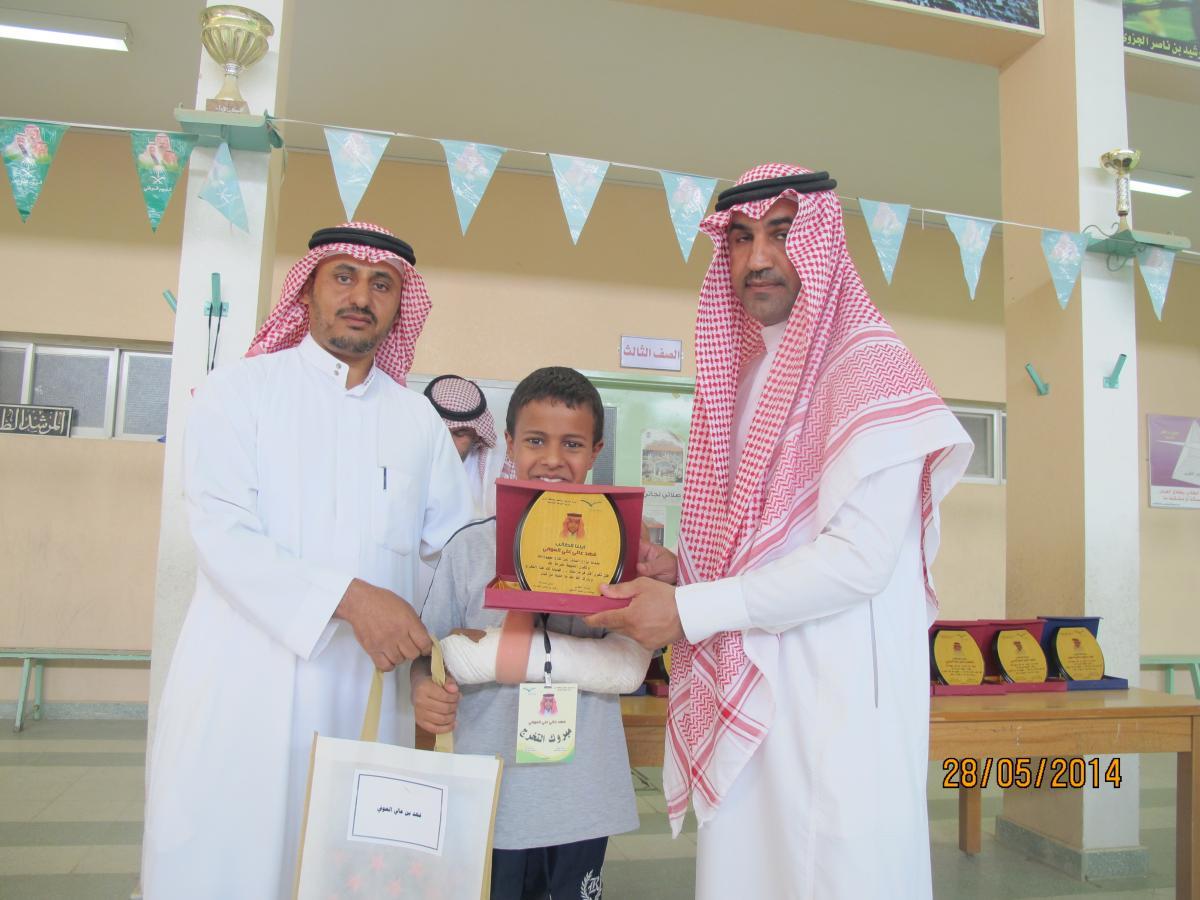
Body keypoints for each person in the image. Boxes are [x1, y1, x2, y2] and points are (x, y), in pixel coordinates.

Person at [587, 165, 973, 899]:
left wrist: (689, 609)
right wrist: (680, 571)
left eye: (782, 233)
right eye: (740, 238)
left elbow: (858, 561)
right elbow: (764, 544)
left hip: (836, 699)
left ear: (823, 244)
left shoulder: (872, 370)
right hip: (751, 675)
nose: (758, 257)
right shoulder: (746, 376)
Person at [141, 222, 472, 899]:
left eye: (381, 284)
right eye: (343, 277)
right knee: (231, 867)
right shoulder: (239, 392)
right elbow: (222, 535)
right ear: (308, 291)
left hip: (365, 696)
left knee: (342, 873)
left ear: (400, 305)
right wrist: (352, 599)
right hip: (243, 689)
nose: (361, 297)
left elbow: (452, 560)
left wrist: (429, 663)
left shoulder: (417, 423)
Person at [412, 367, 643, 900]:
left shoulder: (621, 554)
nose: (553, 458)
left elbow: (633, 661)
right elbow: (428, 648)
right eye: (536, 441)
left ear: (596, 451)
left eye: (573, 444)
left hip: (582, 800)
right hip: (491, 794)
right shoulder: (468, 548)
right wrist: (422, 684)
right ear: (511, 443)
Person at [423, 373, 507, 518]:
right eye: (440, 431)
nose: (447, 443)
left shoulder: (498, 464)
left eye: (459, 433)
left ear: (476, 435)